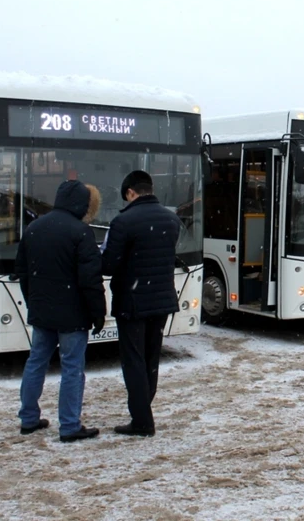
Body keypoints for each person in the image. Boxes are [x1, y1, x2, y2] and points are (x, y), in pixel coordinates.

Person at [15, 179, 106, 443]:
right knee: (72, 368)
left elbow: (22, 270)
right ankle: (69, 425)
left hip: (42, 310)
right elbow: (90, 279)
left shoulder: (34, 228)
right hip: (72, 314)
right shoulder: (81, 232)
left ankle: (29, 418)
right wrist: (98, 313)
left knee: (36, 362)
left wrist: (33, 300)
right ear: (81, 204)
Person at [102, 170, 182, 437]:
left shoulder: (123, 221)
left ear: (129, 193)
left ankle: (142, 421)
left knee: (133, 359)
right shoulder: (171, 219)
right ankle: (144, 408)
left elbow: (109, 265)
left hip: (133, 302)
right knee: (151, 358)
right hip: (162, 300)